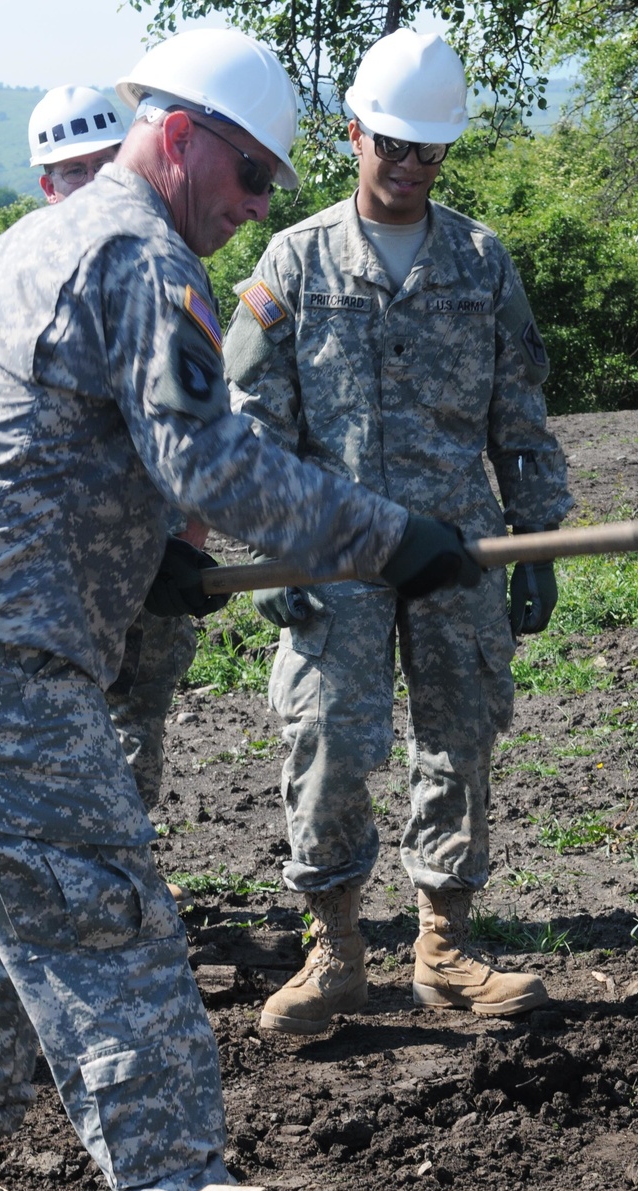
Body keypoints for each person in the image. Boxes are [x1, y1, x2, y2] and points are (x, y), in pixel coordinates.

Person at [0, 27, 480, 1191]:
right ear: (183, 134)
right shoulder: (142, 254)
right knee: (118, 948)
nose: (257, 208)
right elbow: (222, 466)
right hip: (1, 645)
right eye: (251, 176)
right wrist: (391, 535)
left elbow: (52, 444)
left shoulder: (40, 244)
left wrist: (153, 574)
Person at [224, 29, 574, 1037]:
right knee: (328, 740)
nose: (414, 164)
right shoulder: (292, 261)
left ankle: (443, 946)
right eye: (395, 144)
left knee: (457, 739)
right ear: (354, 137)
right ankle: (333, 951)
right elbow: (253, 425)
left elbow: (521, 417)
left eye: (431, 150)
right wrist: (267, 553)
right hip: (332, 548)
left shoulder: (479, 261)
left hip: (456, 549)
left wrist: (537, 541)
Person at [30, 84, 200, 904]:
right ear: (45, 185)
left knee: (135, 737)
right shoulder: (26, 277)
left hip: (151, 570)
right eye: (73, 171)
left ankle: (122, 891)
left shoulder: (158, 265)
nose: (93, 182)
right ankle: (86, 899)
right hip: (53, 590)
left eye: (105, 163)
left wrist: (190, 548)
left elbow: (205, 439)